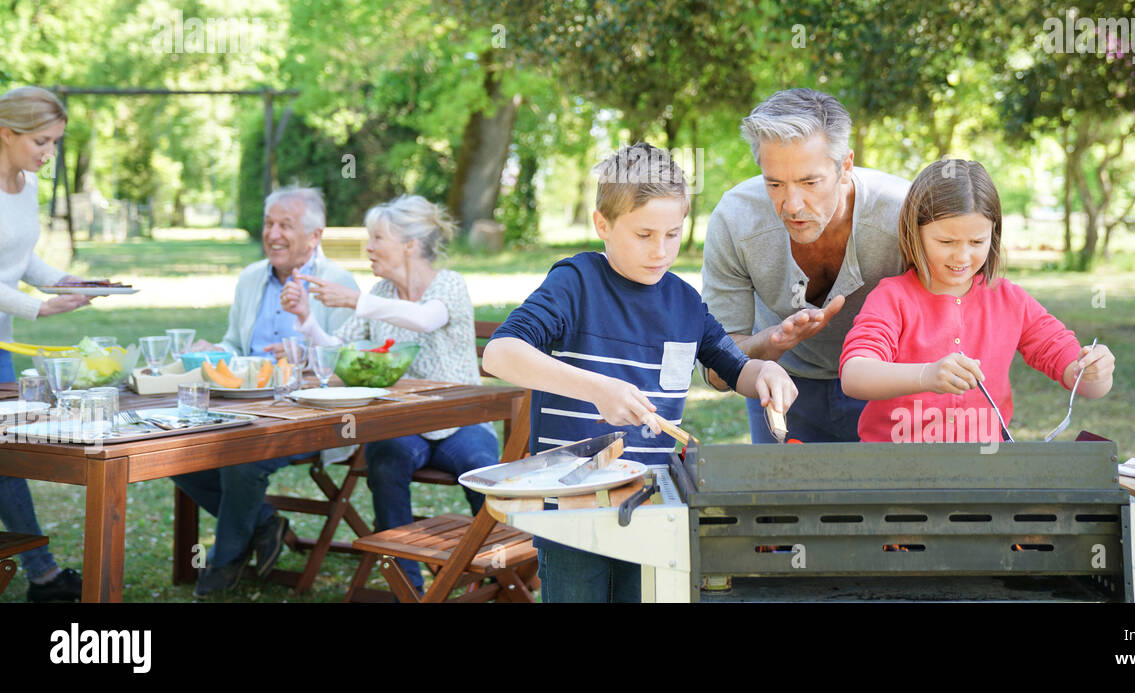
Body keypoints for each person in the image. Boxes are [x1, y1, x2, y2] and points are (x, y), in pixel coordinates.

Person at [483, 143, 798, 603]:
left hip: (649, 506)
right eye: (644, 234)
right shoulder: (576, 283)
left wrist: (764, 372)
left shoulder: (684, 303)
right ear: (603, 225)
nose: (661, 251)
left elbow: (733, 366)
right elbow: (500, 354)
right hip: (573, 511)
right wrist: (596, 389)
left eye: (674, 234)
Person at [281, 195, 498, 594]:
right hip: (405, 425)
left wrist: (357, 301)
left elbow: (426, 319)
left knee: (483, 467)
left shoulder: (448, 285)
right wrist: (306, 318)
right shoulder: (380, 291)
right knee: (384, 460)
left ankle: (497, 570)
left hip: (460, 423)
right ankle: (408, 588)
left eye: (377, 237)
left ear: (409, 245)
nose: (368, 247)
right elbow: (336, 348)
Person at [839, 159, 1115, 444]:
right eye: (946, 242)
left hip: (984, 473)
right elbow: (855, 375)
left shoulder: (1010, 300)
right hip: (895, 472)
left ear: (993, 235)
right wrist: (927, 375)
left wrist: (1094, 371)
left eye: (976, 242)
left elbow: (1085, 383)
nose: (961, 257)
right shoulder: (892, 298)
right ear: (914, 232)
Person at [175, 185, 359, 598]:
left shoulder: (336, 282)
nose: (273, 234)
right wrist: (213, 351)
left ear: (315, 236)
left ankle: (224, 560)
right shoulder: (251, 278)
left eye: (286, 225)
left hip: (310, 411)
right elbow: (236, 347)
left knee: (243, 459)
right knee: (174, 449)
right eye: (269, 223)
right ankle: (263, 523)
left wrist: (302, 356)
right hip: (243, 402)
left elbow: (345, 358)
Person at [701, 88, 909, 444]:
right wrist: (771, 341)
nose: (792, 205)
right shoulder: (735, 220)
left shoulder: (903, 215)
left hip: (886, 386)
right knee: (782, 500)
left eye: (810, 182)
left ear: (845, 167)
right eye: (775, 184)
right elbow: (715, 370)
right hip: (782, 386)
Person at [0, 86, 91, 601]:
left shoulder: (27, 183)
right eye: (41, 141)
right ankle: (43, 574)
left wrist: (68, 283)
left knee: (5, 457)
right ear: (6, 133)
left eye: (55, 142)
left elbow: (21, 260)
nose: (49, 153)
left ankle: (42, 576)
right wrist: (39, 307)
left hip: (1, 341)